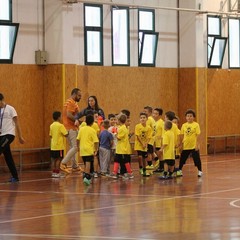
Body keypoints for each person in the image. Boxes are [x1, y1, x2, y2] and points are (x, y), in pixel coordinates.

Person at [0, 93, 25, 182]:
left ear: (1, 100)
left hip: (9, 134)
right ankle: (15, 177)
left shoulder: (10, 109)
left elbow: (17, 123)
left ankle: (15, 176)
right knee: (8, 156)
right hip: (1, 135)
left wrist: (20, 136)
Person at [60, 88, 82, 174]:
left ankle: (75, 165)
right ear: (74, 94)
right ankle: (63, 163)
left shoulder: (69, 102)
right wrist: (78, 121)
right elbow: (69, 115)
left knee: (72, 147)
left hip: (68, 128)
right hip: (71, 128)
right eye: (79, 95)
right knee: (75, 147)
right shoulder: (71, 102)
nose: (80, 97)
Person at [177, 109, 203, 177]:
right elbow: (182, 135)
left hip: (193, 145)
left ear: (193, 117)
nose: (189, 117)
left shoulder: (196, 125)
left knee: (197, 159)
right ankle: (179, 170)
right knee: (182, 158)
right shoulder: (184, 125)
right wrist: (181, 144)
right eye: (188, 116)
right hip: (186, 145)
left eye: (191, 116)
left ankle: (200, 171)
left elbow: (198, 135)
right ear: (186, 117)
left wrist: (197, 144)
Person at [76, 114, 99, 186]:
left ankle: (85, 174)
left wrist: (78, 147)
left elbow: (77, 139)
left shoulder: (81, 129)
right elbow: (96, 141)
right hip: (89, 148)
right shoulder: (92, 130)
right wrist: (96, 149)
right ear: (92, 123)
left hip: (82, 148)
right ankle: (87, 176)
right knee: (88, 162)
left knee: (85, 162)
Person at [110, 114, 134, 179]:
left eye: (117, 120)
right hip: (120, 148)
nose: (116, 121)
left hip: (123, 149)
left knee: (125, 161)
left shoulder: (122, 128)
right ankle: (115, 172)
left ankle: (129, 173)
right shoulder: (123, 127)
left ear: (119, 121)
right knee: (117, 160)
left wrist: (114, 133)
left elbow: (119, 138)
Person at [49, 111, 68, 178]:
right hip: (59, 146)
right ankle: (57, 173)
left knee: (53, 159)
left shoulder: (51, 125)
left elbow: (50, 135)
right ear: (59, 117)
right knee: (59, 159)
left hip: (53, 146)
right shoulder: (60, 125)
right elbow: (66, 134)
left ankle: (53, 173)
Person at [134, 112, 152, 177]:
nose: (142, 119)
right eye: (141, 118)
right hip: (139, 145)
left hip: (145, 145)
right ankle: (140, 167)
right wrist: (142, 143)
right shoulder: (137, 126)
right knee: (140, 156)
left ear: (146, 119)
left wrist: (146, 143)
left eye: (144, 118)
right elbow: (138, 136)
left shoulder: (149, 128)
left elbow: (149, 137)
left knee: (144, 158)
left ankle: (144, 169)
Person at [152, 108, 164, 172]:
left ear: (160, 115)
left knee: (160, 154)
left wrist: (162, 142)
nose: (154, 115)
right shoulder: (154, 122)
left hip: (160, 141)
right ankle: (160, 166)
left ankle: (162, 167)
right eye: (153, 113)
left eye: (156, 114)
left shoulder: (161, 122)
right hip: (155, 141)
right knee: (158, 154)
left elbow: (163, 132)